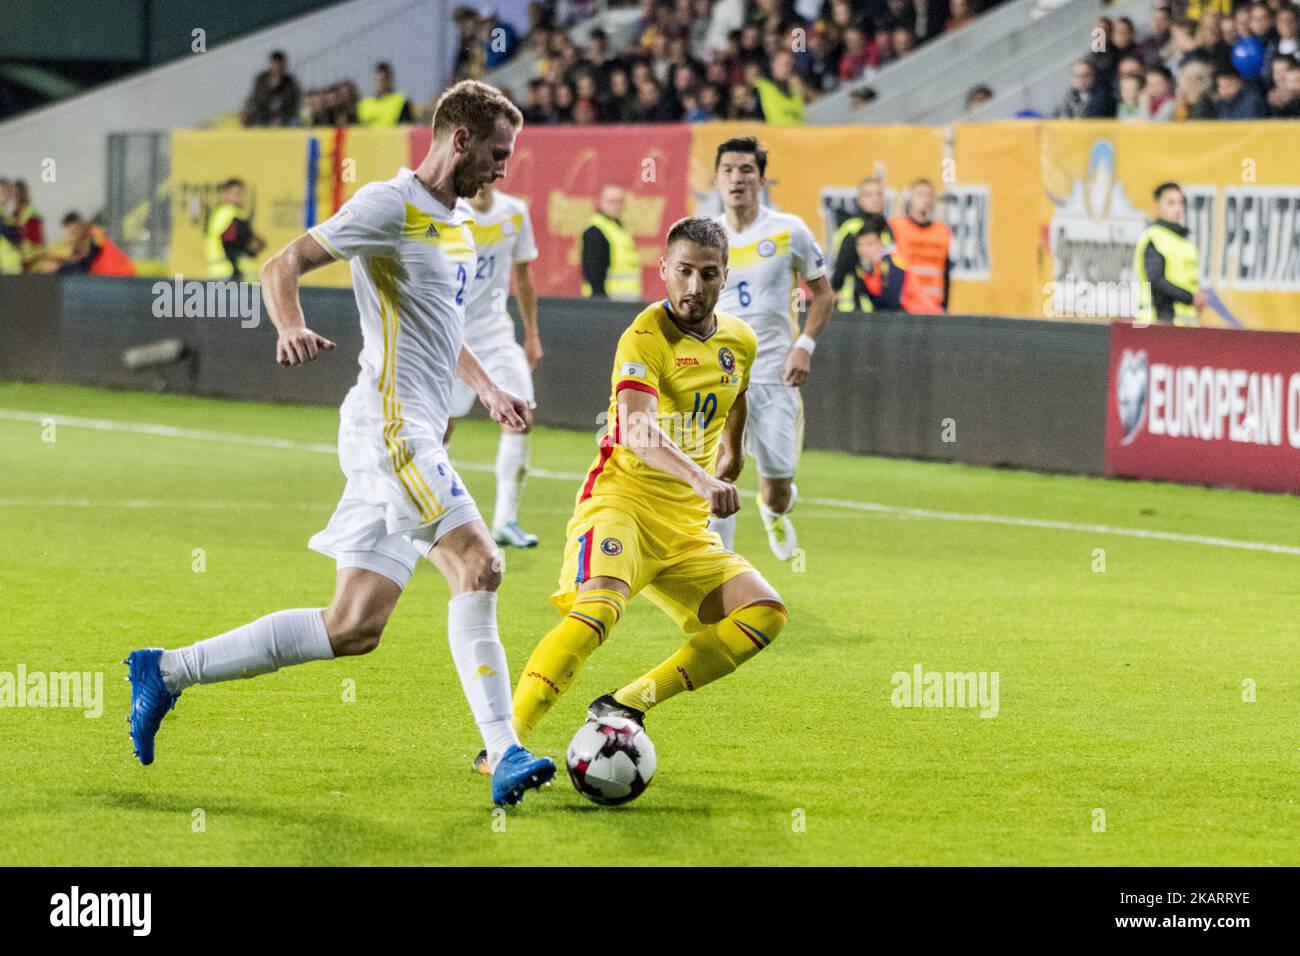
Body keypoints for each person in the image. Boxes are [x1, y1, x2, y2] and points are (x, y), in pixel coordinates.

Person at [123, 80, 557, 809]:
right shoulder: (389, 204)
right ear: (458, 140)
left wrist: (482, 385)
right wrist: (289, 325)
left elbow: (437, 329)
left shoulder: (447, 225)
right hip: (391, 430)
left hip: (404, 430)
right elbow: (279, 264)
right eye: (497, 152)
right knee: (480, 566)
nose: (503, 170)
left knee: (353, 626)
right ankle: (505, 749)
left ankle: (165, 671)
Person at [472, 216, 787, 770]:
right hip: (622, 503)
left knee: (764, 613)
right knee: (598, 612)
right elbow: (637, 429)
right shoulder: (644, 336)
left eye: (708, 274)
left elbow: (734, 391)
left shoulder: (741, 338)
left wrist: (733, 451)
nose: (694, 287)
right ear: (663, 270)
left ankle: (626, 703)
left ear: (724, 276)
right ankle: (502, 746)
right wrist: (703, 477)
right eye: (683, 271)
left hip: (685, 530)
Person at [709, 136, 836, 561]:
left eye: (746, 170)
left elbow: (824, 295)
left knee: (777, 486)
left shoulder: (788, 230)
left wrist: (804, 346)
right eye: (727, 170)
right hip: (721, 377)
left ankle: (775, 511)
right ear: (716, 180)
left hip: (775, 375)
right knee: (722, 470)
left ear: (762, 179)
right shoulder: (705, 235)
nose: (736, 178)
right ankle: (721, 569)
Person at [446, 181, 543, 549]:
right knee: (441, 429)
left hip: (496, 336)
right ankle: (434, 515)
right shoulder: (448, 214)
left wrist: (531, 333)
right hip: (453, 338)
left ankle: (506, 521)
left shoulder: (515, 212)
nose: (485, 182)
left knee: (521, 417)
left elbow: (523, 274)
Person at [1133, 182, 1206, 326]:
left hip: (1185, 323)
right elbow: (1156, 281)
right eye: (1171, 203)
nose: (1178, 209)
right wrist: (1191, 298)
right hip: (1160, 322)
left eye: (1180, 203)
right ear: (1158, 206)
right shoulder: (1154, 238)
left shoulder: (1185, 241)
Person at [843, 216, 943, 314]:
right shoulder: (866, 268)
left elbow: (891, 300)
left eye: (870, 244)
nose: (864, 249)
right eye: (860, 245)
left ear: (880, 243)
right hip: (906, 318)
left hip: (921, 317)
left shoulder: (892, 261)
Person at [831, 176, 892, 313]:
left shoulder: (886, 229)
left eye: (879, 194)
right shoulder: (854, 227)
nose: (875, 199)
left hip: (878, 307)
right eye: (868, 194)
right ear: (860, 199)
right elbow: (841, 268)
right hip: (853, 306)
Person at [888, 178, 952, 310]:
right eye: (920, 194)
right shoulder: (896, 226)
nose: (925, 200)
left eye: (929, 195)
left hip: (933, 305)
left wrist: (944, 305)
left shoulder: (942, 231)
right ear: (910, 198)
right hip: (905, 305)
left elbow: (945, 272)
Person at [581, 185, 642, 300]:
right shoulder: (596, 231)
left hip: (623, 302)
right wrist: (601, 304)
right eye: (611, 202)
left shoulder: (618, 229)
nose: (616, 206)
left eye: (620, 202)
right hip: (607, 302)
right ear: (600, 203)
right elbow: (594, 271)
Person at [204, 179, 265, 280]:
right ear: (225, 195)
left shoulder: (221, 213)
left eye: (243, 194)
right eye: (236, 194)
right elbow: (236, 240)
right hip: (230, 272)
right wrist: (253, 243)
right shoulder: (228, 214)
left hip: (224, 271)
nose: (241, 198)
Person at [51, 213, 134, 276]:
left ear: (80, 227)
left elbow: (84, 264)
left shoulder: (94, 234)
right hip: (110, 278)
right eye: (69, 234)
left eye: (73, 232)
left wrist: (58, 268)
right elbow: (78, 259)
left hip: (118, 277)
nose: (71, 237)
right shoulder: (80, 244)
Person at [242, 51, 301, 127]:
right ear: (270, 64)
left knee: (295, 123)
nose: (277, 68)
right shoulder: (261, 79)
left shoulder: (290, 82)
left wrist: (282, 117)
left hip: (284, 118)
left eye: (280, 65)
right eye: (274, 64)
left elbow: (293, 105)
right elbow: (257, 100)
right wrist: (269, 88)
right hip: (264, 116)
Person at [753, 49, 807, 124]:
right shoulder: (760, 87)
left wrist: (801, 89)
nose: (788, 69)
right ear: (772, 64)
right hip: (774, 134)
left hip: (799, 133)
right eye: (785, 64)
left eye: (791, 65)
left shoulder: (795, 89)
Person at [356, 62, 414, 127]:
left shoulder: (401, 101)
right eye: (379, 79)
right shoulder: (364, 104)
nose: (381, 83)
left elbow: (406, 127)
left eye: (385, 79)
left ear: (391, 79)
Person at [10, 180, 45, 272]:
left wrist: (27, 260)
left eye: (17, 194)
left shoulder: (31, 213)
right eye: (12, 194)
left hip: (34, 264)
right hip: (20, 263)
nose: (14, 197)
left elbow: (36, 241)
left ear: (23, 194)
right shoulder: (13, 215)